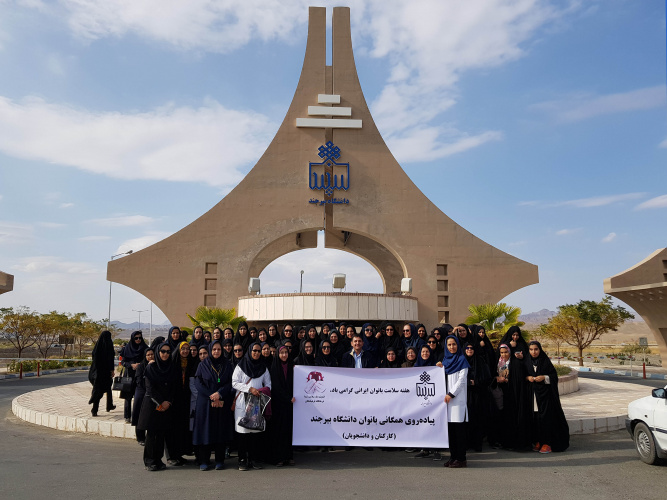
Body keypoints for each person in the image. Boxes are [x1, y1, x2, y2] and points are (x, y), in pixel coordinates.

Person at [193, 340, 234, 470]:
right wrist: (212, 395)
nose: (216, 352)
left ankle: (219, 460)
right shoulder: (202, 365)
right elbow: (198, 383)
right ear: (210, 350)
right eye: (214, 349)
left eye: (219, 349)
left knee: (220, 430)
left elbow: (230, 383)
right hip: (205, 403)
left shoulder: (228, 365)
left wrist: (219, 394)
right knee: (206, 430)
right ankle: (204, 460)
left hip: (222, 402)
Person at [232, 341, 271, 471]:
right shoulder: (240, 366)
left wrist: (261, 391)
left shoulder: (263, 368)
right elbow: (234, 382)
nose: (256, 353)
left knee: (255, 432)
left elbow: (269, 384)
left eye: (259, 351)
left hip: (256, 404)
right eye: (254, 350)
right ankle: (242, 460)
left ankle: (254, 459)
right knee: (243, 433)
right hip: (243, 404)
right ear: (249, 351)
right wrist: (249, 389)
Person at [524, 341, 569, 453]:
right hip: (532, 396)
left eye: (536, 349)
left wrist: (544, 377)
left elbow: (554, 376)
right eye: (531, 349)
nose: (533, 352)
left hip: (545, 397)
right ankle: (538, 441)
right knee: (535, 419)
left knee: (545, 419)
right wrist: (527, 377)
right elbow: (521, 375)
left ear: (540, 350)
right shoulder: (527, 362)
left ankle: (547, 443)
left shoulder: (545, 361)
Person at [138, 341, 176, 471]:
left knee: (161, 434)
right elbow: (150, 389)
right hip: (153, 405)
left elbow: (173, 388)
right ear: (158, 352)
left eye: (168, 352)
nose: (165, 354)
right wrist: (161, 402)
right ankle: (149, 461)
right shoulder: (151, 368)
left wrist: (169, 401)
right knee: (152, 434)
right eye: (163, 351)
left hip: (166, 406)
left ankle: (158, 460)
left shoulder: (171, 367)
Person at [488, 344, 529, 451]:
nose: (504, 354)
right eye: (501, 352)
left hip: (511, 393)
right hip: (500, 394)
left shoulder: (514, 362)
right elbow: (491, 376)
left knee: (510, 418)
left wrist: (508, 380)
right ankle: (500, 441)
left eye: (506, 352)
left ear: (509, 352)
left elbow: (519, 378)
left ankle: (510, 442)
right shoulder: (497, 363)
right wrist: (497, 378)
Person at [442, 335, 469, 468]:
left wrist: (451, 394)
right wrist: (438, 367)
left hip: (457, 401)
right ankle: (453, 457)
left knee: (459, 432)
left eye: (454, 344)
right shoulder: (445, 361)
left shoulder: (462, 360)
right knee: (451, 432)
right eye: (449, 345)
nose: (452, 347)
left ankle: (461, 458)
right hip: (447, 401)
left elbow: (461, 380)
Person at [269, 344, 296, 466]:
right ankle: (279, 457)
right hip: (279, 404)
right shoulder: (274, 368)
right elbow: (276, 387)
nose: (284, 355)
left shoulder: (292, 367)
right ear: (277, 354)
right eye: (282, 353)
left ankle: (288, 456)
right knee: (279, 431)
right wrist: (287, 398)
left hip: (290, 404)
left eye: (286, 352)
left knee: (288, 430)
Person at [464, 342, 492, 452]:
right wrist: (467, 382)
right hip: (466, 394)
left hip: (479, 394)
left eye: (471, 348)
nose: (469, 350)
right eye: (467, 348)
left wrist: (476, 382)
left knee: (477, 418)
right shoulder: (462, 361)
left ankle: (477, 443)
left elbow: (487, 378)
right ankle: (467, 442)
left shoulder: (480, 361)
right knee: (467, 419)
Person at [119, 330, 147, 423]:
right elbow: (123, 362)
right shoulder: (127, 348)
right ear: (132, 338)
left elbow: (148, 358)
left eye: (140, 338)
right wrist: (131, 365)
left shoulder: (144, 348)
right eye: (136, 338)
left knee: (139, 397)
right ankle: (127, 416)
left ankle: (138, 416)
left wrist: (140, 365)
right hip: (129, 375)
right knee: (128, 397)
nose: (138, 340)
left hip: (140, 376)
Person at [88, 330, 116, 416]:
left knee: (100, 389)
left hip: (95, 372)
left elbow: (94, 357)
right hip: (105, 372)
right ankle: (105, 406)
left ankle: (98, 408)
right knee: (104, 389)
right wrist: (111, 370)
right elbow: (110, 359)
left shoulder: (97, 347)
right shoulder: (109, 346)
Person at [131, 347, 154, 446]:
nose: (150, 356)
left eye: (152, 354)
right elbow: (139, 381)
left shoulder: (157, 365)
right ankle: (140, 437)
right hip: (141, 392)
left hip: (152, 393)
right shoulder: (141, 366)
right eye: (148, 355)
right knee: (139, 415)